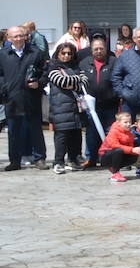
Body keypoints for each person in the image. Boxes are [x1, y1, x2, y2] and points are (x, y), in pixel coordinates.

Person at [1, 25, 47, 170]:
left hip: (31, 97)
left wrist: (39, 83)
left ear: (26, 36)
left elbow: (45, 73)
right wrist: (4, 88)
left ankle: (39, 158)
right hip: (12, 98)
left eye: (22, 35)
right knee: (14, 132)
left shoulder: (36, 52)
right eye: (15, 36)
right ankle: (15, 161)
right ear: (9, 38)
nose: (19, 38)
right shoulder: (3, 54)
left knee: (35, 129)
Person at [45, 42, 88, 173]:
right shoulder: (53, 68)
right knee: (62, 137)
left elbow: (85, 81)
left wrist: (74, 82)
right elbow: (62, 81)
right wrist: (78, 81)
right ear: (58, 54)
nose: (66, 56)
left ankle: (73, 160)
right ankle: (58, 162)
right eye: (63, 53)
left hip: (76, 109)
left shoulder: (76, 66)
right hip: (60, 110)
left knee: (76, 136)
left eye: (69, 53)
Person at [77, 35, 117, 167]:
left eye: (101, 48)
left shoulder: (113, 61)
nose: (98, 51)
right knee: (91, 133)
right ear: (91, 50)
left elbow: (118, 80)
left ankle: (109, 158)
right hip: (92, 106)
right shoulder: (84, 63)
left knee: (110, 132)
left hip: (110, 104)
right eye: (96, 49)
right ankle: (91, 158)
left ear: (106, 49)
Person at [96, 110, 140, 183]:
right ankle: (115, 173)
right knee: (118, 150)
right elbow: (114, 145)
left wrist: (138, 150)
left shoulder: (130, 134)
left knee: (134, 157)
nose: (128, 124)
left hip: (117, 155)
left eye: (129, 122)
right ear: (118, 123)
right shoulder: (113, 131)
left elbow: (130, 148)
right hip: (105, 156)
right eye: (125, 122)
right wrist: (132, 150)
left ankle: (114, 168)